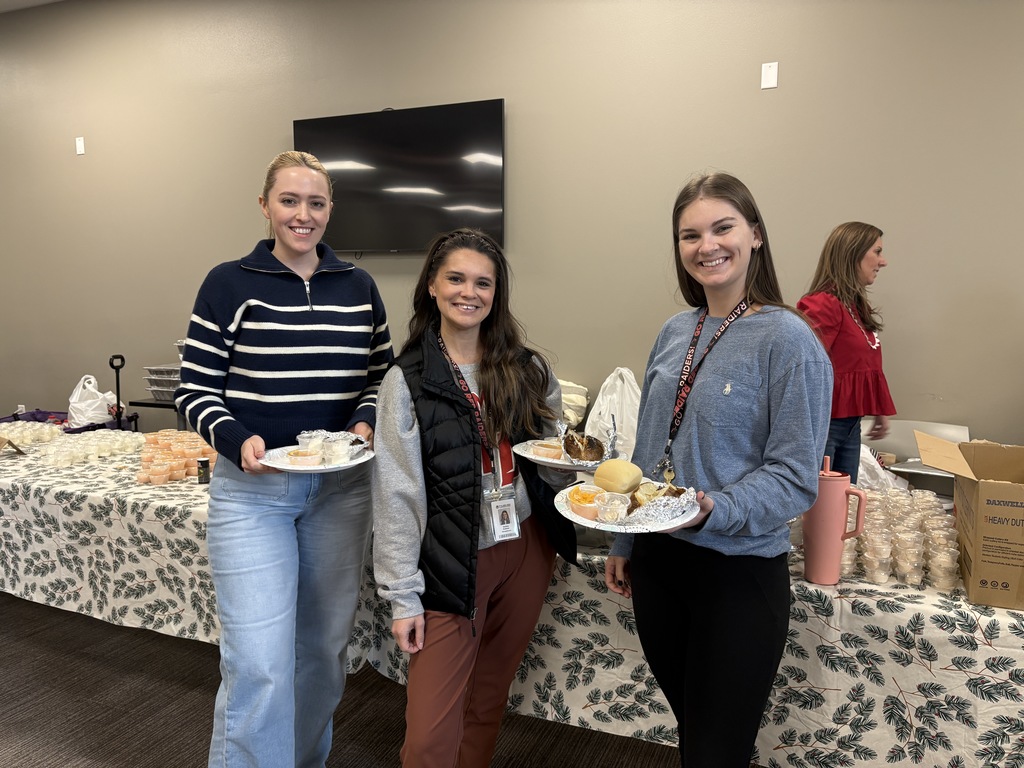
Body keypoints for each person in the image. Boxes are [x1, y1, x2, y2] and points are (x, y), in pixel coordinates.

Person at [604, 172, 833, 768]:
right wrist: (627, 537)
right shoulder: (675, 331)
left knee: (715, 751)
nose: (707, 245)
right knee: (696, 733)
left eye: (722, 227)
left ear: (755, 234)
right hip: (660, 562)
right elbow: (648, 445)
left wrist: (713, 510)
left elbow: (794, 475)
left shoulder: (789, 340)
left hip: (737, 572)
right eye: (690, 235)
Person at [175, 150, 394, 768]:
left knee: (322, 653)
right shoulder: (228, 283)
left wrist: (365, 419)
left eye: (316, 203)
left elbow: (381, 377)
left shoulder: (359, 287)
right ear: (265, 206)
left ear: (330, 209)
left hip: (341, 491)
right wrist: (234, 437)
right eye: (290, 200)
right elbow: (193, 389)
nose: (303, 214)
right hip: (254, 494)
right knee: (259, 663)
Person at [371, 228, 577, 768]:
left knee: (487, 699)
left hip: (526, 547)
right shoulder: (407, 380)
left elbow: (551, 462)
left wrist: (579, 473)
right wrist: (402, 596)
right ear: (432, 286)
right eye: (456, 279)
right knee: (430, 735)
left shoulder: (528, 369)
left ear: (496, 293)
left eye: (483, 283)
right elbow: (396, 494)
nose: (469, 292)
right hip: (450, 557)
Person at [797, 222, 896, 483]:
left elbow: (862, 362)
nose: (883, 261)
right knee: (821, 503)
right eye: (877, 252)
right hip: (825, 427)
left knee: (844, 500)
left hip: (851, 424)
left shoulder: (855, 305)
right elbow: (804, 368)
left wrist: (878, 409)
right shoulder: (823, 304)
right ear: (853, 253)